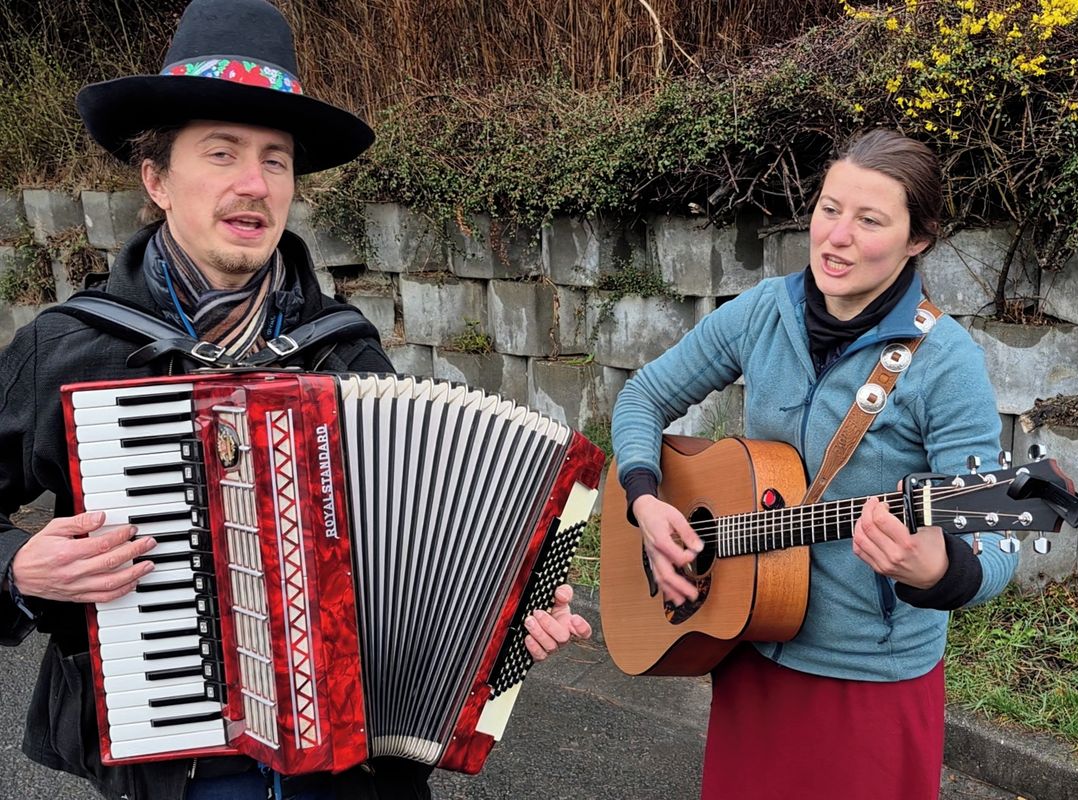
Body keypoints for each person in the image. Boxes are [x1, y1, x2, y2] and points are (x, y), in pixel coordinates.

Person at [0, 1, 590, 799]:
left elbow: (436, 553)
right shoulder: (72, 348)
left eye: (275, 160)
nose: (253, 183)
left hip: (357, 769)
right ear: (157, 179)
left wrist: (513, 615)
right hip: (178, 772)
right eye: (222, 152)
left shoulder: (345, 350)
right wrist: (18, 566)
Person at [611, 129, 1019, 800]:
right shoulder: (763, 312)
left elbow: (997, 538)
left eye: (870, 221)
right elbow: (643, 396)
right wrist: (645, 500)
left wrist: (943, 569)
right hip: (749, 642)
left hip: (868, 681)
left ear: (918, 239)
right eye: (829, 209)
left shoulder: (947, 364)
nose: (837, 237)